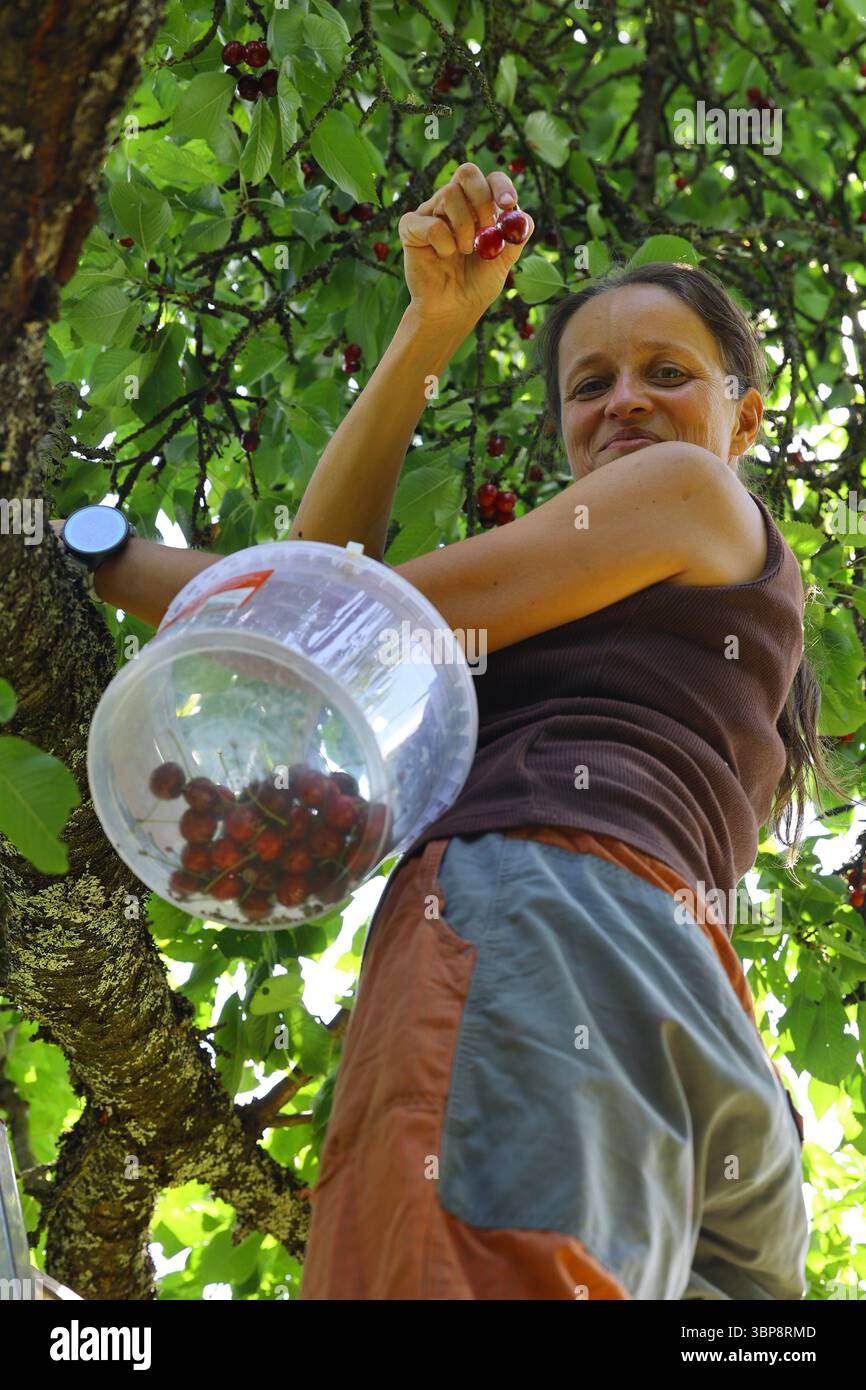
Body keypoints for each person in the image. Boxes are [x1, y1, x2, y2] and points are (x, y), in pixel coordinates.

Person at [56, 163, 849, 1300]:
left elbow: (327, 620)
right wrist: (431, 328)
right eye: (589, 384)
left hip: (551, 933)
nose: (622, 398)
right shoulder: (661, 605)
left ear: (745, 415)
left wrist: (92, 546)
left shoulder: (692, 490)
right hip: (697, 1063)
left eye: (665, 373)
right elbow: (326, 573)